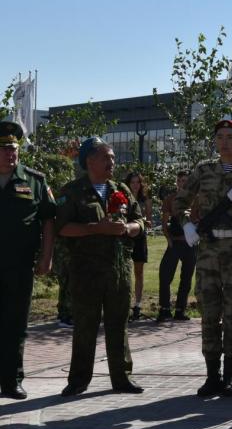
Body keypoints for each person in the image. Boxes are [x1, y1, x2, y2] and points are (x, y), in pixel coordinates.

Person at [173, 119, 232, 398]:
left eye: (230, 137)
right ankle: (213, 375)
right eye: (220, 137)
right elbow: (180, 202)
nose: (224, 142)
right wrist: (186, 223)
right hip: (210, 249)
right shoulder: (203, 169)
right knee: (209, 312)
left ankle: (231, 376)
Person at [56, 137, 145, 396]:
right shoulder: (72, 192)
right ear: (89, 161)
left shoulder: (121, 189)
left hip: (119, 269)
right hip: (86, 271)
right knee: (86, 325)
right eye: (106, 157)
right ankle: (78, 380)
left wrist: (130, 228)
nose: (112, 162)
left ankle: (122, 378)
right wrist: (96, 229)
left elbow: (139, 219)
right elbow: (63, 228)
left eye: (113, 157)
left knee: (119, 325)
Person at [0, 121, 56, 400]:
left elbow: (48, 220)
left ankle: (12, 381)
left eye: (14, 149)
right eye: (4, 149)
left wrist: (47, 257)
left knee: (16, 323)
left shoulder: (34, 180)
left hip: (19, 266)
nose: (11, 154)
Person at [157, 170, 196, 322]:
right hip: (175, 243)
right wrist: (169, 239)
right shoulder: (170, 199)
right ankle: (164, 309)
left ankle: (180, 310)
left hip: (190, 244)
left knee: (186, 278)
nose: (183, 183)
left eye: (186, 180)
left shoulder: (195, 199)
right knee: (165, 275)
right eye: (180, 180)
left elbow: (199, 218)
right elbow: (164, 222)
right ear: (177, 182)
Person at [125, 171, 152, 321]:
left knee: (139, 271)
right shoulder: (122, 198)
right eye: (132, 182)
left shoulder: (145, 200)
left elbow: (149, 221)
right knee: (125, 272)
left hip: (140, 238)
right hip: (126, 237)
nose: (135, 185)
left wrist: (145, 222)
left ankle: (138, 304)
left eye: (137, 182)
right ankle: (124, 303)